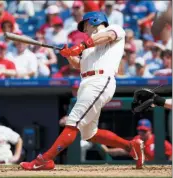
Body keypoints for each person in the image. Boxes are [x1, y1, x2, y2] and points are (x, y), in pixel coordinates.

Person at [20, 11, 144, 170]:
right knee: (89, 133)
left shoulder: (114, 29)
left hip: (101, 80)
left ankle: (45, 159)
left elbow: (107, 37)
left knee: (73, 122)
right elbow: (79, 65)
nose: (84, 30)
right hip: (86, 82)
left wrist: (80, 46)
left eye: (85, 25)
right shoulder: (88, 47)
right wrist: (68, 55)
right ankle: (130, 146)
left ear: (94, 21)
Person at [101, 119, 172, 161]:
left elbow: (171, 153)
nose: (142, 133)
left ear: (150, 130)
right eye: (140, 130)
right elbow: (125, 150)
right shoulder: (137, 139)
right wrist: (107, 150)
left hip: (157, 169)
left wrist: (168, 166)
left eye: (144, 131)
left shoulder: (157, 140)